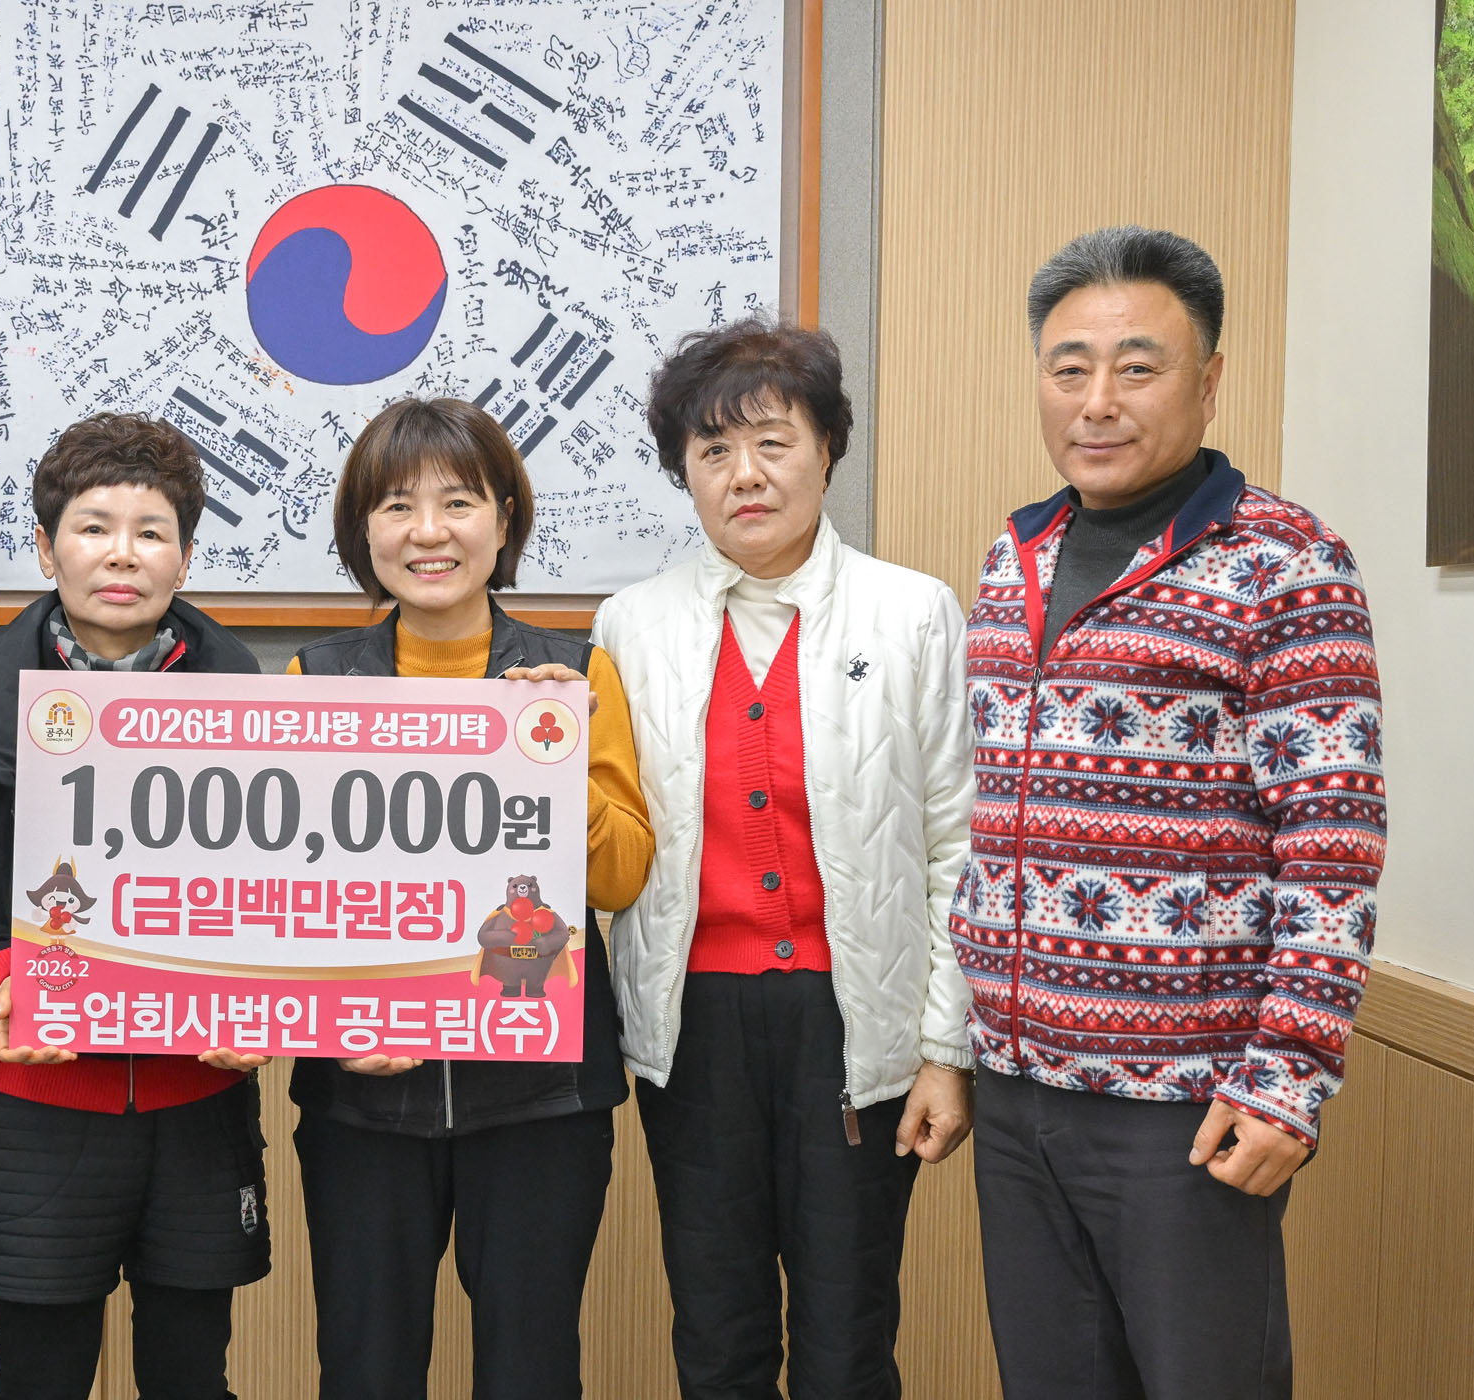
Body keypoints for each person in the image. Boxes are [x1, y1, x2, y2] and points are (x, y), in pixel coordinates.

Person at [952, 227, 1386, 1399]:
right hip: (1019, 1093)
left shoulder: (1284, 560)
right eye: (1069, 367)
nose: (1097, 400)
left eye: (1136, 366)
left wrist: (1287, 1076)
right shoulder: (1016, 554)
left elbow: (1332, 846)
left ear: (1208, 379)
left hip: (1188, 1108)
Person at [591, 318, 977, 1399]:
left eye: (773, 441)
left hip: (854, 1020)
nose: (745, 475)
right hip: (692, 1026)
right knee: (716, 1332)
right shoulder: (630, 624)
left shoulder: (913, 613)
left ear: (827, 449)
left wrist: (945, 1048)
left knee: (849, 1338)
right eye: (713, 451)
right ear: (684, 472)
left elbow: (958, 843)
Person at [286, 397, 654, 1400]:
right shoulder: (317, 679)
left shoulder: (576, 673)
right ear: (364, 531)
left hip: (541, 1098)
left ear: (504, 519)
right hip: (362, 1100)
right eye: (396, 506)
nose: (429, 532)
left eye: (458, 502)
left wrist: (555, 757)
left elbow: (622, 875)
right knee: (363, 1371)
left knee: (531, 1371)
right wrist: (337, 1014)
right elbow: (287, 899)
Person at [0, 413, 270, 1400]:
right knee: (40, 1374)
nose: (122, 553)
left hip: (200, 1097)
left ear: (185, 556)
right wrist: (4, 968)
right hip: (41, 1101)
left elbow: (279, 898)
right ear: (45, 546)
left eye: (152, 532)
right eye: (94, 526)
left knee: (193, 1373)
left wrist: (265, 992)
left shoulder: (249, 695)